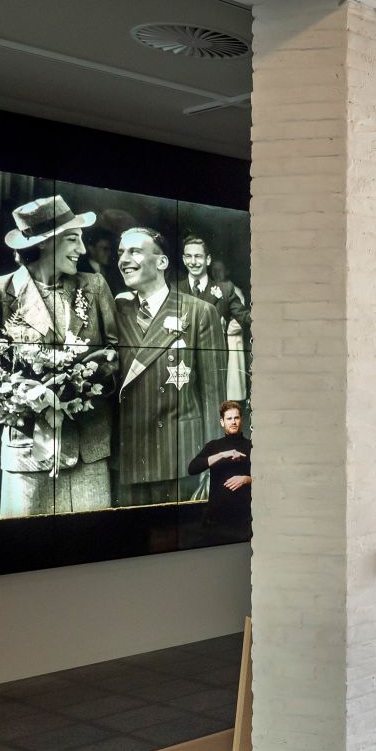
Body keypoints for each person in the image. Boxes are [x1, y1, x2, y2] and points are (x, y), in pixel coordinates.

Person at [0, 195, 118, 517]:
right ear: (47, 243)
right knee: (27, 548)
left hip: (90, 447)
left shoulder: (95, 285)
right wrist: (29, 394)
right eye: (73, 240)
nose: (82, 250)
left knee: (94, 544)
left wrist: (82, 382)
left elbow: (117, 352)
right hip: (28, 451)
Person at [113, 227, 225, 505]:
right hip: (130, 457)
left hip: (181, 456)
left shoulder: (199, 312)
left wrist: (215, 461)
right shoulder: (117, 312)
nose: (123, 259)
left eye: (134, 251)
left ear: (162, 262)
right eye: (120, 253)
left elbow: (214, 395)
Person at [177, 233, 251, 400]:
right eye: (188, 256)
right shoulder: (174, 289)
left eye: (198, 256)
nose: (193, 262)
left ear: (208, 260)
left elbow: (244, 316)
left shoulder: (225, 289)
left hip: (214, 367)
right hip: (182, 366)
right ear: (183, 259)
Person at [186, 400, 252, 543]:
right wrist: (222, 455)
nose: (233, 422)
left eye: (236, 418)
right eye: (229, 418)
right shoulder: (214, 446)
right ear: (222, 422)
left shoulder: (251, 446)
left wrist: (246, 479)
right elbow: (192, 468)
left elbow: (268, 478)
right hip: (216, 520)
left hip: (244, 520)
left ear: (241, 420)